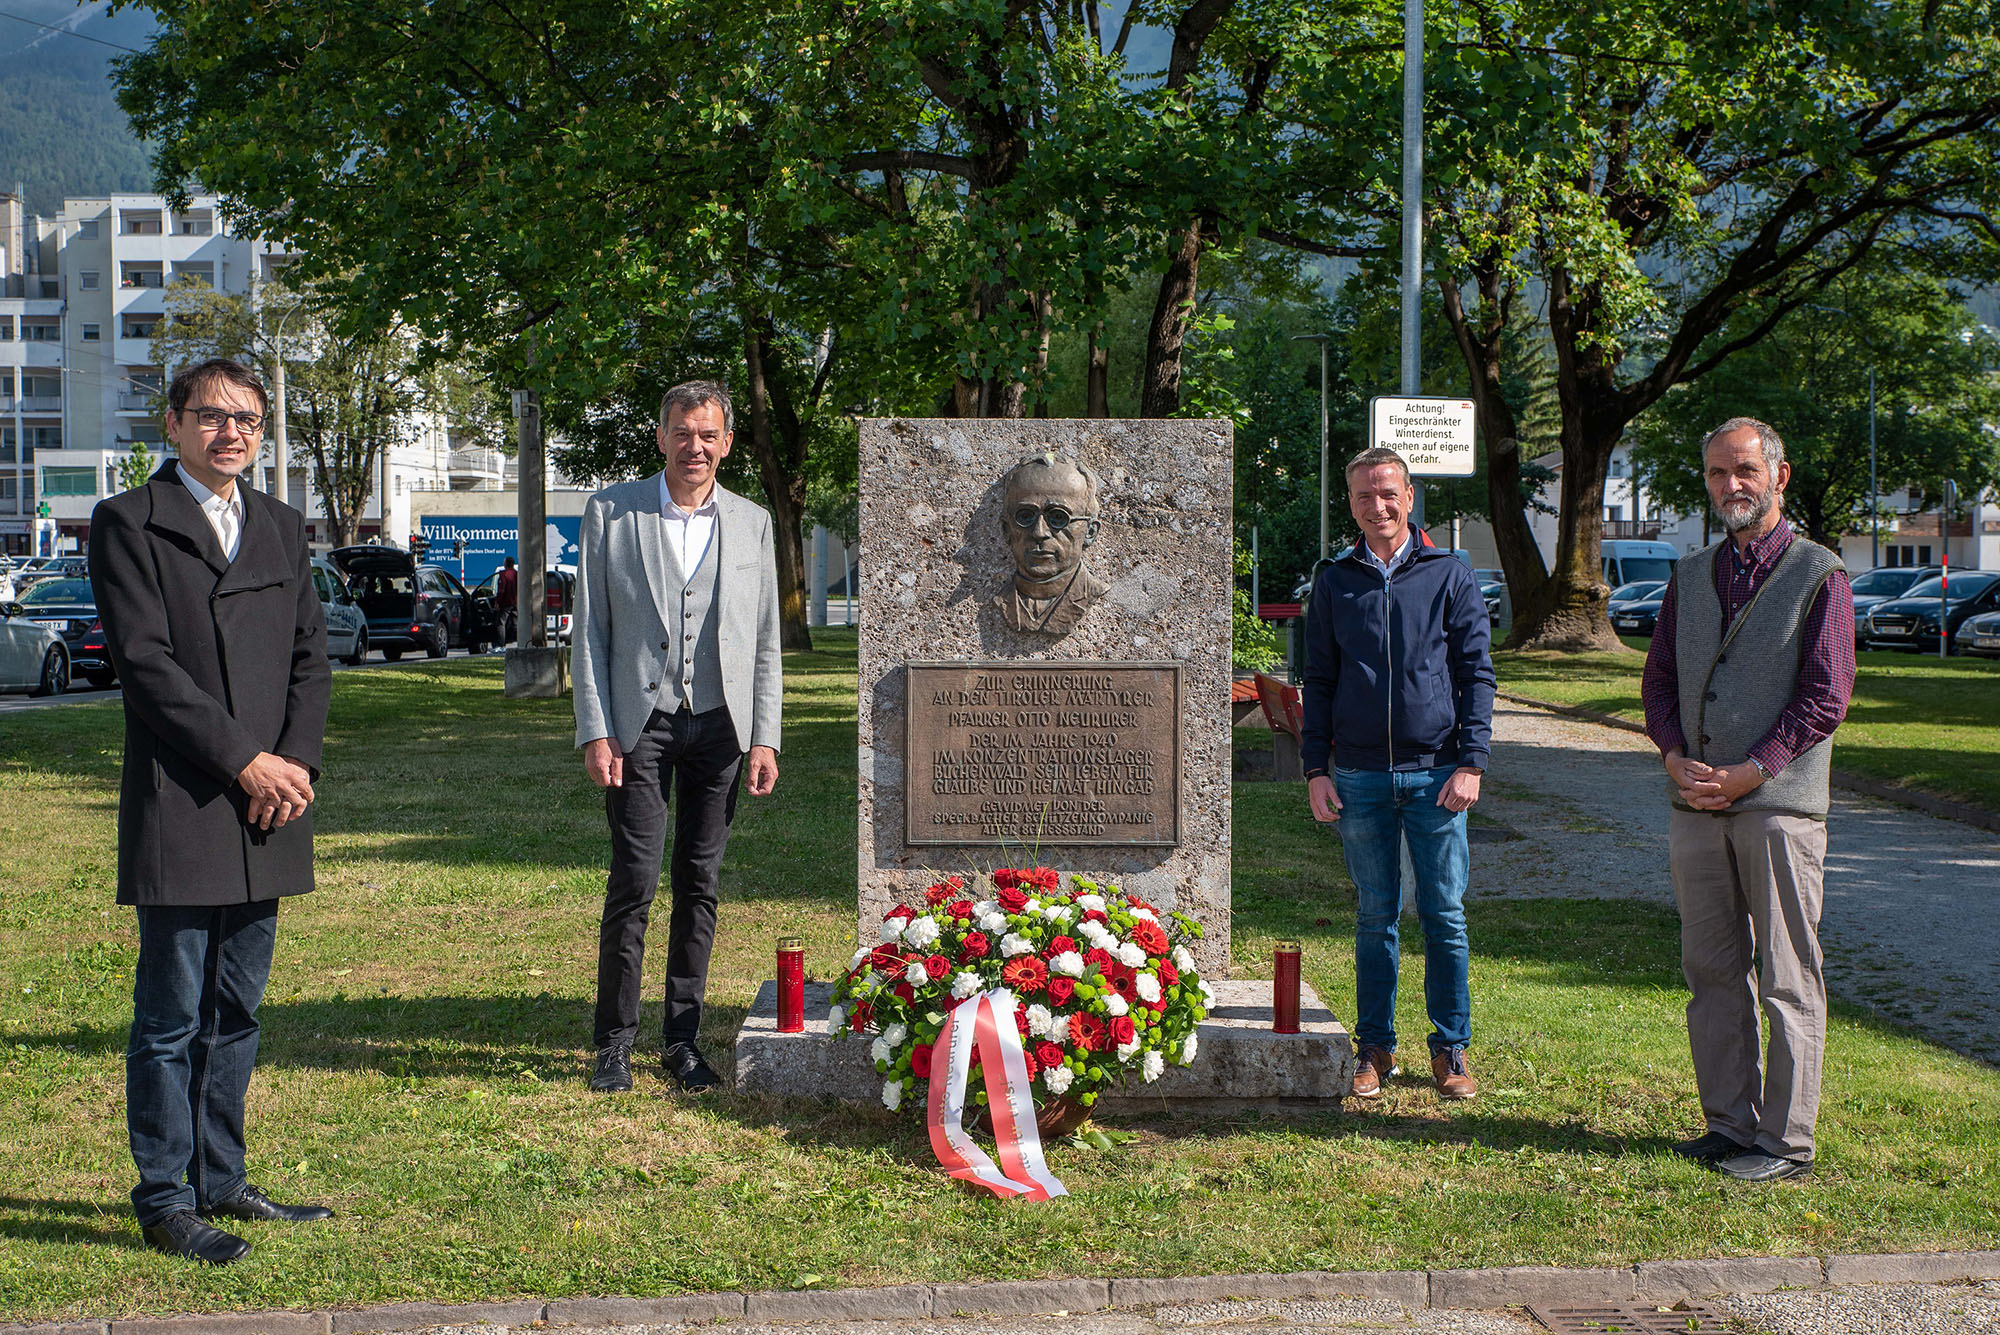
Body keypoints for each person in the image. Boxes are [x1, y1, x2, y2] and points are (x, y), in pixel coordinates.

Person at [88, 358, 334, 1265]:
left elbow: (311, 658)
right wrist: (247, 760)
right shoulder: (129, 523)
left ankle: (223, 1178)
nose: (231, 432)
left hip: (272, 802)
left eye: (249, 419)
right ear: (175, 425)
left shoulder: (280, 524)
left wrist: (293, 765)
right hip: (189, 798)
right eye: (212, 416)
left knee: (238, 1008)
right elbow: (148, 670)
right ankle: (164, 1196)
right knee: (171, 1016)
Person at [1641, 416, 1855, 1183]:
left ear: (1778, 475)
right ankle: (1729, 1124)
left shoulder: (1818, 573)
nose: (1730, 486)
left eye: (1744, 471)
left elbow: (1826, 696)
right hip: (1694, 802)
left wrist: (1751, 770)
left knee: (1789, 974)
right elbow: (1658, 682)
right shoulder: (1691, 572)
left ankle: (1786, 1142)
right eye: (1716, 474)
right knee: (1712, 969)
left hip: (1779, 804)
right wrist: (1675, 757)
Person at [571, 379, 783, 1094]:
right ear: (660, 437)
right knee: (633, 880)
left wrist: (766, 736)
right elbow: (591, 633)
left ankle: (682, 1040)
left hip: (721, 724)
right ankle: (614, 1042)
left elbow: (764, 641)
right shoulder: (611, 511)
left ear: (727, 442)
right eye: (682, 433)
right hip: (640, 724)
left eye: (709, 434)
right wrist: (597, 731)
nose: (696, 446)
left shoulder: (752, 521)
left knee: (701, 880)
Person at [1300, 446, 1495, 1102]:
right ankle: (1375, 1047)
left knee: (1444, 913)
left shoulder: (1450, 572)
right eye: (1363, 496)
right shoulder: (1335, 580)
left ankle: (1451, 1049)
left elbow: (1476, 673)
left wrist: (1471, 761)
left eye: (1388, 493)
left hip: (1438, 775)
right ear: (1351, 504)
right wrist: (1314, 769)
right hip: (1357, 777)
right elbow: (1318, 679)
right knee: (1375, 914)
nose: (1377, 506)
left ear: (1410, 497)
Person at [993, 452, 1110, 636]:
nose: (1039, 532)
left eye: (1058, 517)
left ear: (1090, 532)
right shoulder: (1001, 599)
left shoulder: (1094, 592)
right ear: (1006, 530)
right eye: (1025, 516)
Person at [494, 557, 518, 643]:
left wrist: (497, 602)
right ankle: (519, 642)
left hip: (506, 603)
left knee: (501, 623)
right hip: (517, 603)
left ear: (506, 564)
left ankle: (501, 644)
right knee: (516, 623)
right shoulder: (517, 574)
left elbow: (501, 590)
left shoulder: (504, 575)